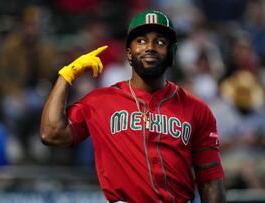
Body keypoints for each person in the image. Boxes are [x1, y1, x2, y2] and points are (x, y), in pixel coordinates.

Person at [40, 10, 226, 203]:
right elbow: (51, 133)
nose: (150, 48)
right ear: (129, 53)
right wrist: (66, 76)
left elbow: (210, 179)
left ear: (171, 53)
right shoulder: (100, 101)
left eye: (160, 42)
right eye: (141, 41)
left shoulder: (197, 109)